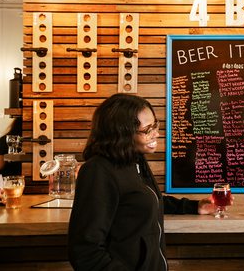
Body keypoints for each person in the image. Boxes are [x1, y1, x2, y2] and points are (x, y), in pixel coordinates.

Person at [68, 93, 218, 271]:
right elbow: (85, 252)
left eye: (155, 125)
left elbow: (142, 200)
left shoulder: (135, 160)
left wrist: (194, 207)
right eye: (147, 130)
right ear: (121, 133)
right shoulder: (98, 171)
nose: (157, 134)